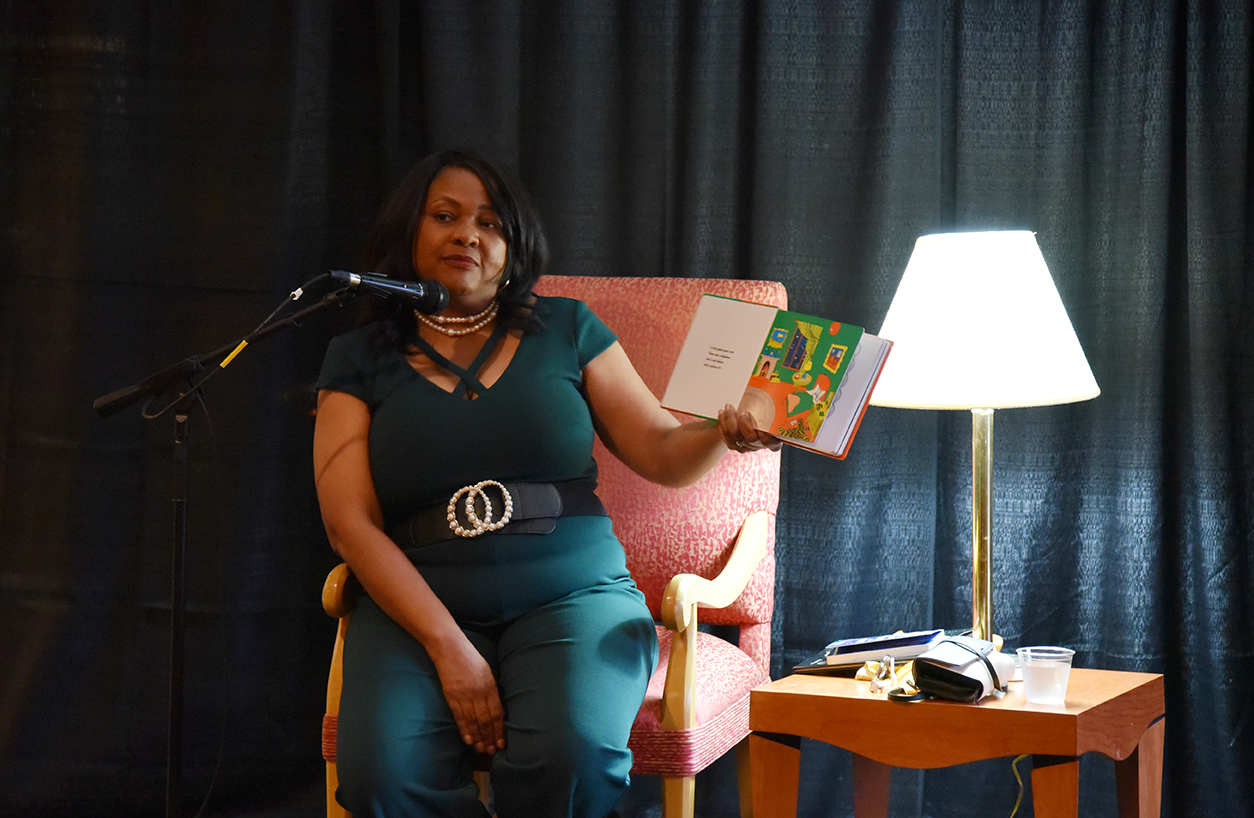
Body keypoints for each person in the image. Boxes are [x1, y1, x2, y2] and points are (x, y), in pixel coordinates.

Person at [312, 148, 778, 818]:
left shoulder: (569, 328)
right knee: (381, 779)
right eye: (445, 216)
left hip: (573, 595)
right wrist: (450, 649)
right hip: (417, 609)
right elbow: (346, 522)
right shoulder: (356, 359)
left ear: (515, 244)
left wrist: (718, 431)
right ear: (410, 231)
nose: (468, 233)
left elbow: (663, 451)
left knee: (572, 760)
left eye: (491, 222)